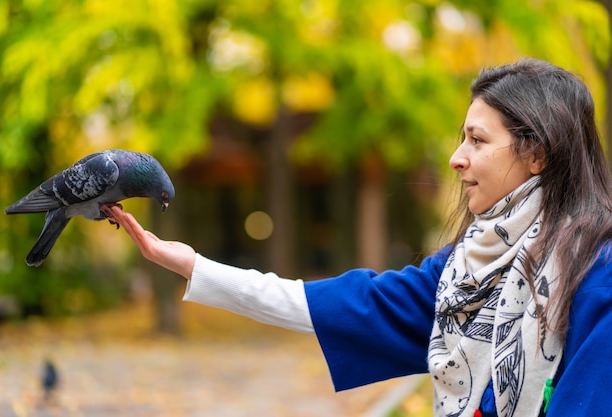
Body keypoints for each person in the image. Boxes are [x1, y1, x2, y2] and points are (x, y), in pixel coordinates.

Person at [108, 58, 612, 417]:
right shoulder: (466, 271)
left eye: (477, 140)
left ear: (538, 154)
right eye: (462, 138)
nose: (456, 158)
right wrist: (195, 267)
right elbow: (337, 303)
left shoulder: (596, 275)